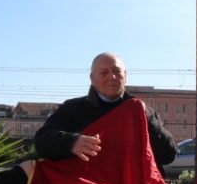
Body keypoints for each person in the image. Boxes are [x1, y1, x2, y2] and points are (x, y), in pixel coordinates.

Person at [35, 52, 176, 172]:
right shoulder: (72, 109)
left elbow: (168, 155)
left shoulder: (143, 111)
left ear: (125, 76)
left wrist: (147, 119)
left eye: (117, 71)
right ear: (92, 79)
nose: (112, 77)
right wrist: (71, 142)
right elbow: (42, 142)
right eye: (104, 72)